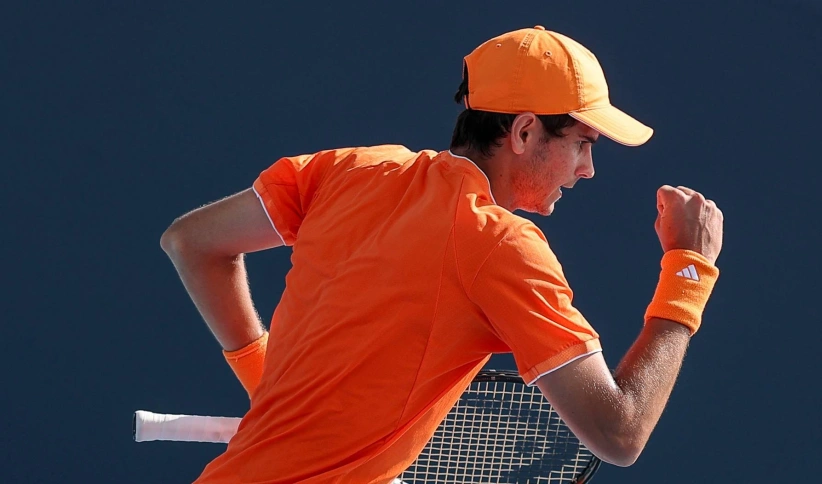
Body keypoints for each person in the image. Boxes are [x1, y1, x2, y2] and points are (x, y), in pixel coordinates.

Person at [160, 25, 723, 483]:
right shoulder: (501, 244)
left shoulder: (352, 170)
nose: (587, 169)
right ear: (524, 132)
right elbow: (619, 434)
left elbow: (192, 243)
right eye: (581, 143)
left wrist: (264, 382)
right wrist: (688, 270)